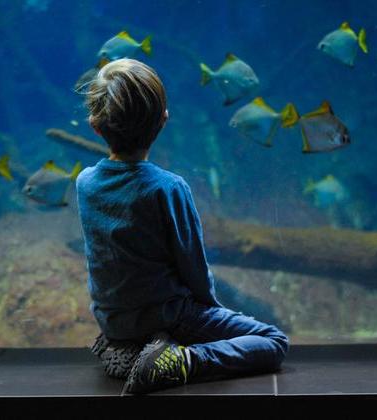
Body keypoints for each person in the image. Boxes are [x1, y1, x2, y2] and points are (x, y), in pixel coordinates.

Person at [75, 58, 288, 395]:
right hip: (168, 316)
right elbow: (193, 265)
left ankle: (127, 348)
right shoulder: (168, 187)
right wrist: (211, 309)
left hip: (113, 320)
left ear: (95, 126)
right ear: (163, 120)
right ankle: (182, 360)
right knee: (272, 340)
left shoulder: (85, 182)